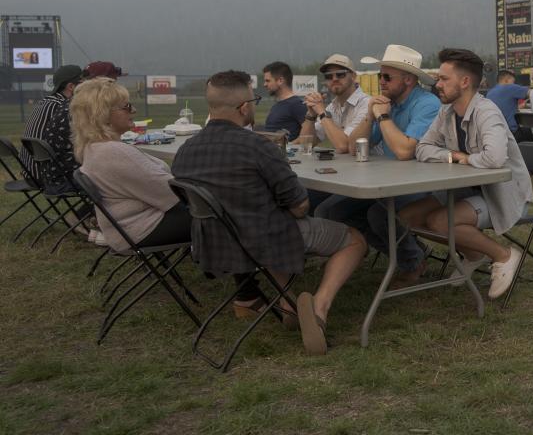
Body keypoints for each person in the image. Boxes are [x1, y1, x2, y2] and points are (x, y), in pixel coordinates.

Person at [172, 70, 366, 355]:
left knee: (272, 222)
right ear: (244, 107)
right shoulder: (258, 147)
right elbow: (299, 204)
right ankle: (319, 307)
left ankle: (288, 302)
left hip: (213, 242)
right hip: (264, 240)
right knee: (354, 239)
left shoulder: (186, 151)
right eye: (254, 99)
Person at [398, 49, 533, 299]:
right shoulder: (446, 111)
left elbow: (494, 158)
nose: (437, 85)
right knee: (406, 218)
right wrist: (451, 156)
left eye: (443, 79)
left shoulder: (486, 111)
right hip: (465, 190)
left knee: (440, 222)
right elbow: (423, 148)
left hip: (501, 193)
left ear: (465, 82)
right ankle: (474, 254)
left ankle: (503, 256)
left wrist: (466, 158)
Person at [324, 44, 441, 288]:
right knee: (330, 212)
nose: (381, 82)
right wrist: (369, 114)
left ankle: (412, 261)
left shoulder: (427, 103)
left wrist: (383, 116)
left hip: (422, 183)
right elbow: (355, 148)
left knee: (378, 214)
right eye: (380, 76)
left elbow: (404, 151)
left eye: (386, 77)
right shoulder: (389, 103)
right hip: (386, 183)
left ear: (408, 80)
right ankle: (412, 249)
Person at [73, 78, 191, 251]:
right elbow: (174, 194)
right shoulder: (113, 152)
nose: (133, 110)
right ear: (103, 114)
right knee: (224, 213)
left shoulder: (94, 147)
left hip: (126, 229)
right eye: (126, 107)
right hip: (141, 229)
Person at [20, 64, 84, 192]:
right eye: (83, 84)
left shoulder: (47, 102)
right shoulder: (63, 107)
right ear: (71, 87)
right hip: (47, 176)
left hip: (30, 172)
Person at [296, 54, 370, 154]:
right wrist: (311, 115)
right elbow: (307, 143)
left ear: (353, 76)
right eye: (329, 76)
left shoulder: (366, 103)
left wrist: (322, 112)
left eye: (340, 74)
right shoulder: (332, 107)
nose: (334, 79)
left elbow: (344, 146)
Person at [262, 61, 307, 140]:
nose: (264, 84)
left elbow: (308, 136)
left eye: (268, 81)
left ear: (280, 81)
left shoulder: (297, 104)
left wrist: (291, 146)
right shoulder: (276, 106)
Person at [485, 69, 529, 139]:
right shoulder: (510, 87)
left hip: (495, 132)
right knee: (531, 131)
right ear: (506, 80)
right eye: (513, 82)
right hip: (511, 133)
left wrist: (519, 106)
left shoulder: (490, 92)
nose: (514, 84)